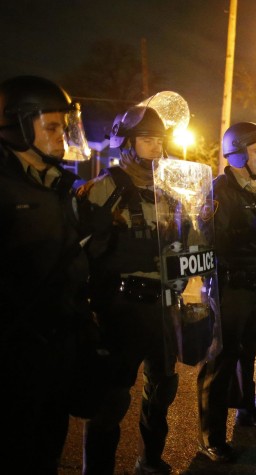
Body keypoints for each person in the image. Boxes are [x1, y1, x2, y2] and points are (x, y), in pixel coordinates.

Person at [0, 75, 94, 473]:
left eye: (64, 127)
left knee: (48, 451)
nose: (62, 138)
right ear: (20, 126)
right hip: (14, 357)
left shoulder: (61, 186)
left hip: (58, 348)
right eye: (51, 127)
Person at [80, 105, 179, 474]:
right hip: (121, 307)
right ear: (126, 143)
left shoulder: (169, 190)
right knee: (111, 400)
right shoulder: (106, 188)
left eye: (159, 139)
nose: (155, 146)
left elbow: (186, 242)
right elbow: (84, 252)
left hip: (163, 305)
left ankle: (150, 460)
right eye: (147, 139)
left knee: (163, 388)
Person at [196, 122, 256, 463]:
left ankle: (246, 410)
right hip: (228, 287)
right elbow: (210, 238)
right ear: (238, 153)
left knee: (246, 354)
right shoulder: (221, 190)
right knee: (220, 360)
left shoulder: (255, 191)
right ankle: (210, 436)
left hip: (254, 285)